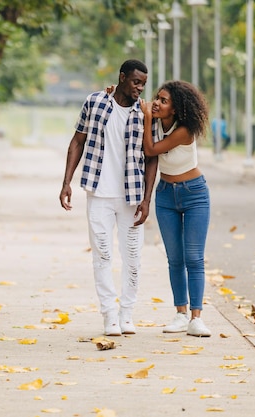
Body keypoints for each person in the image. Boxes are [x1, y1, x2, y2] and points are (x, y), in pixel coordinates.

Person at [59, 59, 159, 336]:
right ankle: (109, 316)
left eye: (143, 84)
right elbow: (77, 141)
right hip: (98, 193)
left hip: (132, 197)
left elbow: (152, 158)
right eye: (136, 82)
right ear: (122, 77)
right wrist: (66, 182)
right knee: (102, 256)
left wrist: (147, 199)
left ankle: (127, 315)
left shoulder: (145, 112)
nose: (139, 88)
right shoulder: (95, 102)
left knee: (133, 258)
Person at [140, 80, 212, 337]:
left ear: (176, 108)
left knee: (194, 258)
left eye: (164, 100)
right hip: (166, 195)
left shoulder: (185, 130)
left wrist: (148, 117)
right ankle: (181, 314)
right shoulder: (153, 120)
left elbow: (151, 150)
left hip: (194, 194)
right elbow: (125, 104)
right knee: (174, 259)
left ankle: (196, 318)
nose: (157, 103)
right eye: (156, 98)